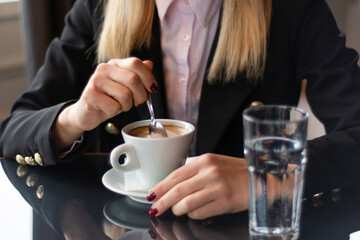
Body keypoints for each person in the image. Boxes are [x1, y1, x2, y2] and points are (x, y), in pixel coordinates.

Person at [1, 0, 360, 220]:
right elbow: (13, 130)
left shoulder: (291, 8)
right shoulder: (100, 5)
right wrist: (76, 116)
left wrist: (263, 177)